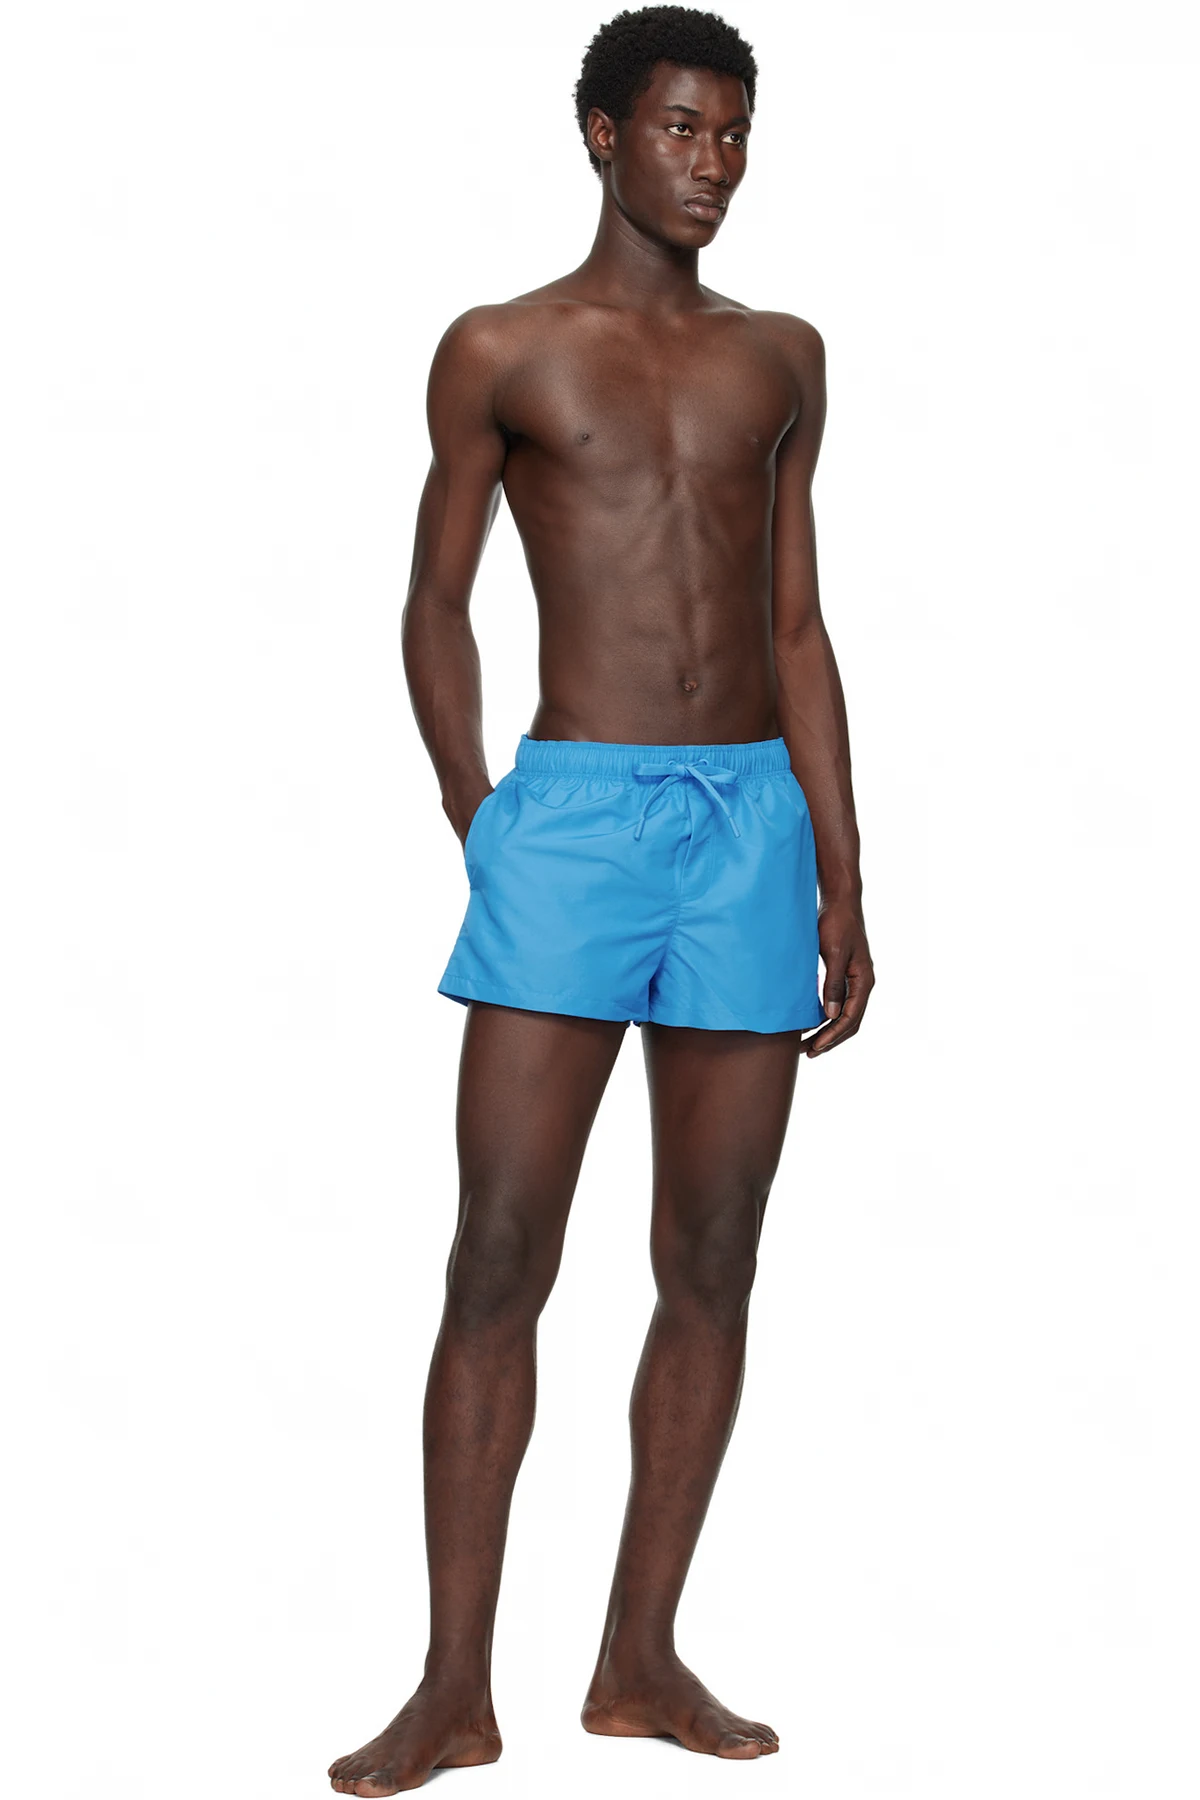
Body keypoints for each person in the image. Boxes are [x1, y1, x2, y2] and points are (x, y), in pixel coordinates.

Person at [328, 5, 874, 1792]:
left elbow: (796, 623)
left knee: (712, 1256)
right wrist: (478, 813)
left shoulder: (782, 357)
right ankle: (451, 1689)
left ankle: (640, 1658)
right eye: (682, 128)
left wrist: (844, 873)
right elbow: (432, 601)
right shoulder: (502, 346)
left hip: (751, 825)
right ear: (603, 136)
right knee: (499, 1252)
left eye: (734, 132)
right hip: (569, 817)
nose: (713, 162)